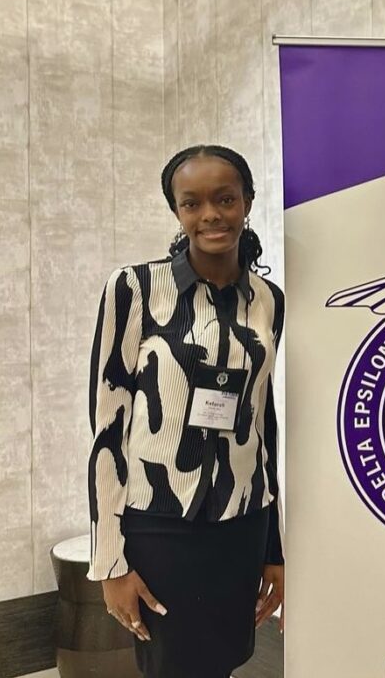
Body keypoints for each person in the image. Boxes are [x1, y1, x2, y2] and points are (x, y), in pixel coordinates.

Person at [87, 145, 285, 678]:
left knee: (223, 663)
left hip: (243, 523)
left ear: (246, 201)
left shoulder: (269, 299)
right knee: (171, 668)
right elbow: (108, 431)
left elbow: (264, 425)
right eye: (191, 203)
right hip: (161, 526)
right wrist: (110, 561)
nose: (211, 215)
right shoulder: (133, 289)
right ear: (177, 212)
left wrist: (275, 547)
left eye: (225, 199)